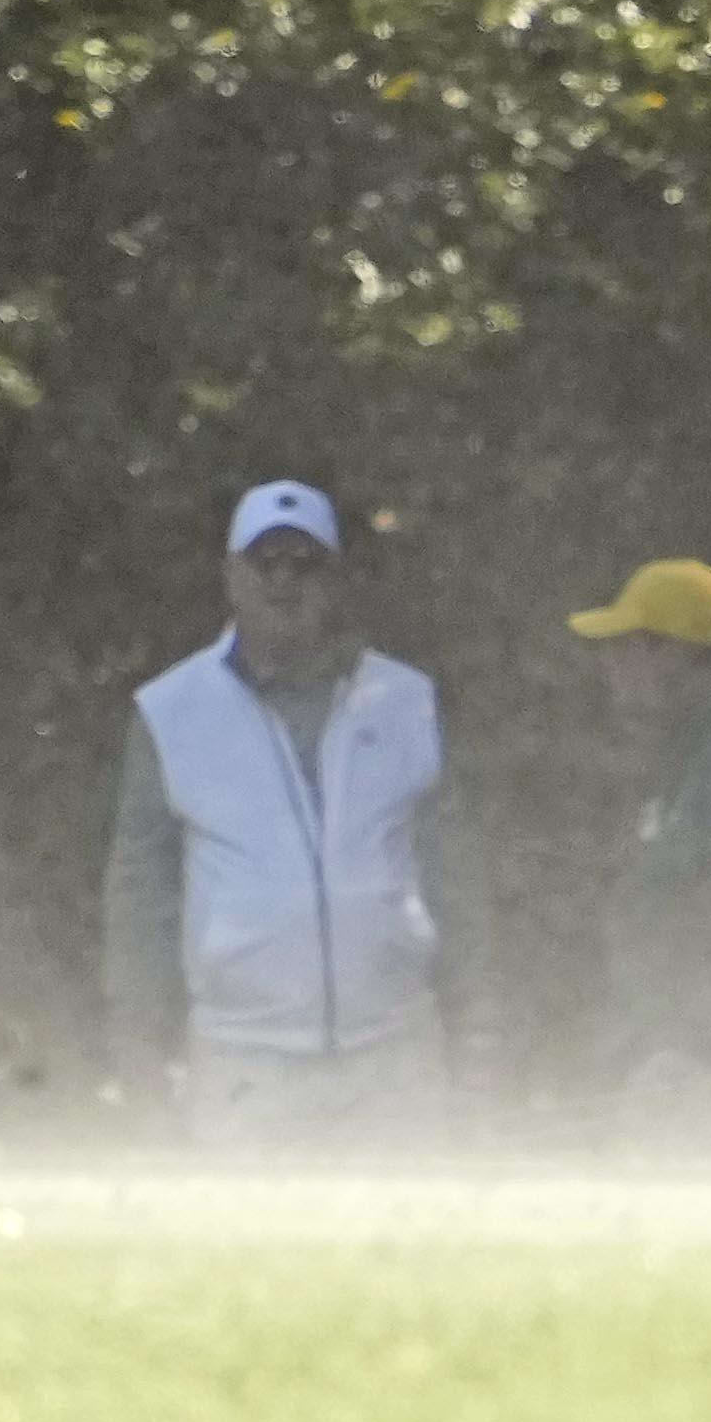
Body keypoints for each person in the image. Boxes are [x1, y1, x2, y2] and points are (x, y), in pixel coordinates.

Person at [102, 480, 453, 1146]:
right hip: (242, 1061)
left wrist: (482, 1023)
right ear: (231, 577)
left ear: (336, 581)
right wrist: (139, 1045)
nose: (284, 580)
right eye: (266, 562)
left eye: (305, 563)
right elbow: (139, 893)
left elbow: (453, 871)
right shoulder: (171, 709)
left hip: (395, 1053)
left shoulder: (407, 700)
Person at [563, 558, 711, 1133]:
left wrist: (703, 1046)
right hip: (677, 1053)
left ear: (672, 654)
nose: (609, 666)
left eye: (626, 646)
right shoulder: (691, 747)